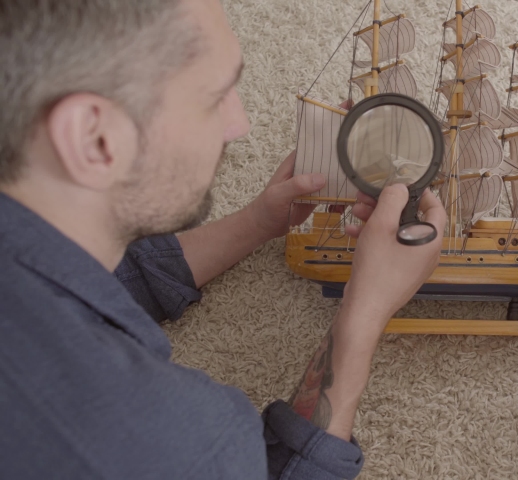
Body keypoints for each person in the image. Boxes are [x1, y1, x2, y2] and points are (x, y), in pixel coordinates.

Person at [0, 1, 445, 479]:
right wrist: (365, 312)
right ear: (93, 138)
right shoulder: (180, 442)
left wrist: (257, 222)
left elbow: (82, 278)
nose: (240, 125)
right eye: (214, 97)